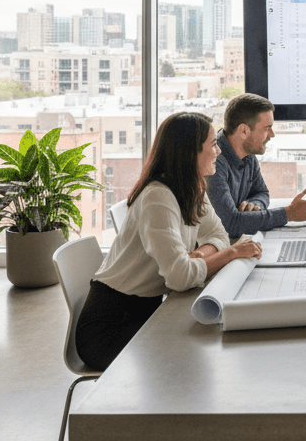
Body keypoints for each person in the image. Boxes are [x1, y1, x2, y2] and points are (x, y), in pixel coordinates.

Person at [75, 112, 262, 372]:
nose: (218, 151)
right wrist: (230, 254)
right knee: (197, 354)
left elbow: (217, 234)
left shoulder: (191, 187)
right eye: (212, 145)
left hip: (145, 310)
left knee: (204, 348)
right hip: (110, 328)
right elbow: (180, 278)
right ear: (190, 153)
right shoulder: (158, 198)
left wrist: (202, 255)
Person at [207, 93, 306, 241]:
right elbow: (230, 224)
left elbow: (261, 192)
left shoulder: (247, 153)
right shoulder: (213, 161)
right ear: (244, 131)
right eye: (266, 129)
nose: (272, 134)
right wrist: (289, 213)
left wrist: (254, 205)